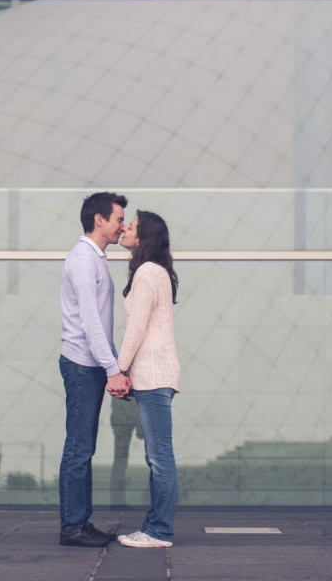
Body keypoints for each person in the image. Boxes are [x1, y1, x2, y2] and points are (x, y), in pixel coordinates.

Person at [58, 191, 132, 548]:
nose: (123, 227)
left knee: (83, 446)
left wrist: (113, 367)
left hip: (90, 365)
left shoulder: (94, 259)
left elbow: (100, 321)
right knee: (78, 447)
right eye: (119, 219)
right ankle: (72, 527)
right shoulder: (84, 260)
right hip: (81, 365)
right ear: (99, 220)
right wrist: (112, 369)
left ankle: (80, 523)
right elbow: (91, 322)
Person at [115, 210, 180, 549]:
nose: (124, 229)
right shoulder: (155, 271)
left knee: (159, 457)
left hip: (153, 375)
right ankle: (155, 528)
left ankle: (159, 531)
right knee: (158, 455)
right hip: (158, 375)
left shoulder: (147, 273)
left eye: (131, 226)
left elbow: (136, 328)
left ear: (143, 237)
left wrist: (119, 370)